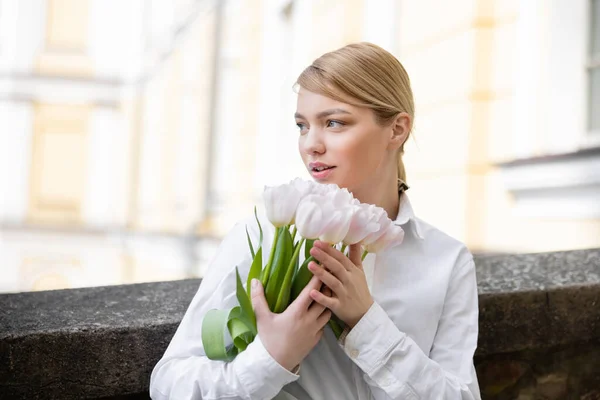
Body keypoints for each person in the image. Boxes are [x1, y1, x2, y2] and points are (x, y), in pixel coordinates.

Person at [150, 42, 481, 400]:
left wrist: (368, 323)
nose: (311, 144)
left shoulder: (447, 260)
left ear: (396, 130)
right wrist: (272, 358)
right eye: (302, 126)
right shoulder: (263, 237)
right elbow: (169, 384)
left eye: (334, 123)